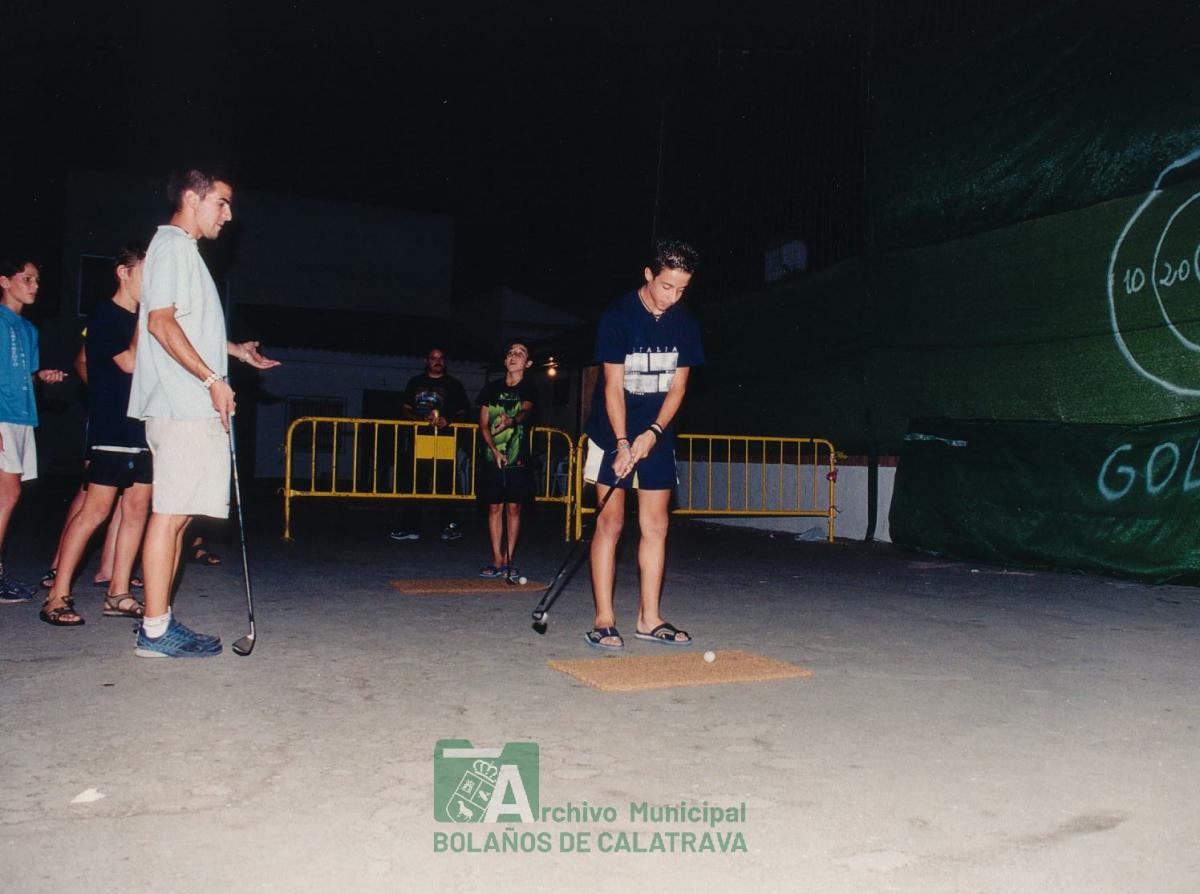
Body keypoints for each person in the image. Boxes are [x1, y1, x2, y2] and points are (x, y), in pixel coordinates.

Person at [127, 167, 279, 658]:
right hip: (181, 404)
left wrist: (233, 352)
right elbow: (160, 323)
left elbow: (185, 326)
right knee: (169, 516)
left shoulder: (183, 251)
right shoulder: (172, 246)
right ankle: (154, 631)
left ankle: (160, 621)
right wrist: (213, 379)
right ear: (193, 199)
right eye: (222, 203)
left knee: (178, 517)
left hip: (187, 402)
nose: (228, 215)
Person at [583, 239, 704, 650]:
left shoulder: (684, 322)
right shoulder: (617, 317)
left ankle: (648, 618)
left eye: (682, 289)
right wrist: (621, 442)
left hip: (656, 432)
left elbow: (679, 387)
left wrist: (652, 432)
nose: (673, 297)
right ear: (649, 275)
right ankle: (604, 618)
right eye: (667, 286)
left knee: (656, 525)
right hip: (610, 431)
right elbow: (612, 387)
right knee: (611, 523)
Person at [41, 243, 154, 625]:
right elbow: (129, 362)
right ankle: (57, 596)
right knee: (96, 511)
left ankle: (118, 593)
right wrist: (147, 318)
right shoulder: (106, 315)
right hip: (112, 428)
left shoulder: (145, 319)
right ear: (123, 272)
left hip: (143, 426)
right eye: (146, 273)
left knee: (136, 509)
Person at [0, 257, 68, 604]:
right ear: (4, 281)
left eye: (37, 280)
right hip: (2, 417)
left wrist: (40, 377)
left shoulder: (29, 330)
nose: (35, 286)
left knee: (9, 494)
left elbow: (21, 374)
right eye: (27, 279)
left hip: (23, 418)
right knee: (7, 494)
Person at [389, 346, 470, 541]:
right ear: (427, 361)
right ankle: (410, 528)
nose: (437, 361)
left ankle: (450, 527)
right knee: (415, 484)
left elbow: (463, 411)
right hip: (419, 440)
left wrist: (448, 421)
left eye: (441, 358)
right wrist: (418, 420)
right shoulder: (415, 382)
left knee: (446, 485)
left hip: (445, 441)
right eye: (433, 358)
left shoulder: (454, 384)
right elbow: (405, 408)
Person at [475, 339, 536, 578]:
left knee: (513, 507)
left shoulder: (529, 389)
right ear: (505, 360)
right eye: (511, 352)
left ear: (527, 363)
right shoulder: (491, 389)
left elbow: (526, 411)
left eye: (520, 353)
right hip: (493, 456)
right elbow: (483, 424)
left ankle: (509, 560)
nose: (514, 355)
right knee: (494, 507)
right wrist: (494, 450)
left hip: (517, 456)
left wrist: (512, 420)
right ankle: (497, 559)